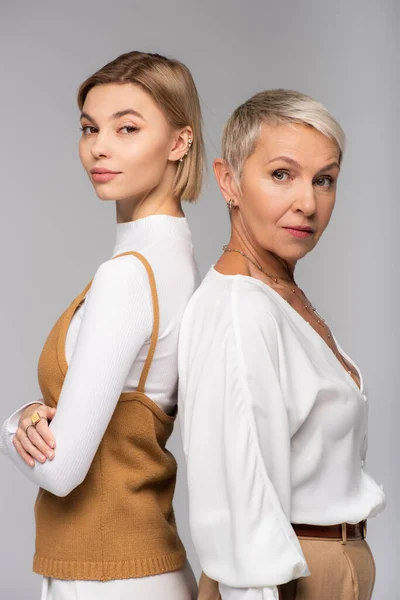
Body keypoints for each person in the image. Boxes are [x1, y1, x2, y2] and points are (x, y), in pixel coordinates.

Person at [0, 50, 204, 600]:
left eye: (128, 127)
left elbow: (62, 470)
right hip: (131, 568)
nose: (100, 147)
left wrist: (13, 423)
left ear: (180, 142)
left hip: (109, 579)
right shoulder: (176, 259)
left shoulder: (128, 278)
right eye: (90, 128)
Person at [178, 89, 386, 600]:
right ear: (229, 181)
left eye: (324, 180)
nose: (308, 202)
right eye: (281, 175)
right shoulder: (240, 309)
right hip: (285, 577)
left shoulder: (278, 294)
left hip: (327, 569)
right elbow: (241, 507)